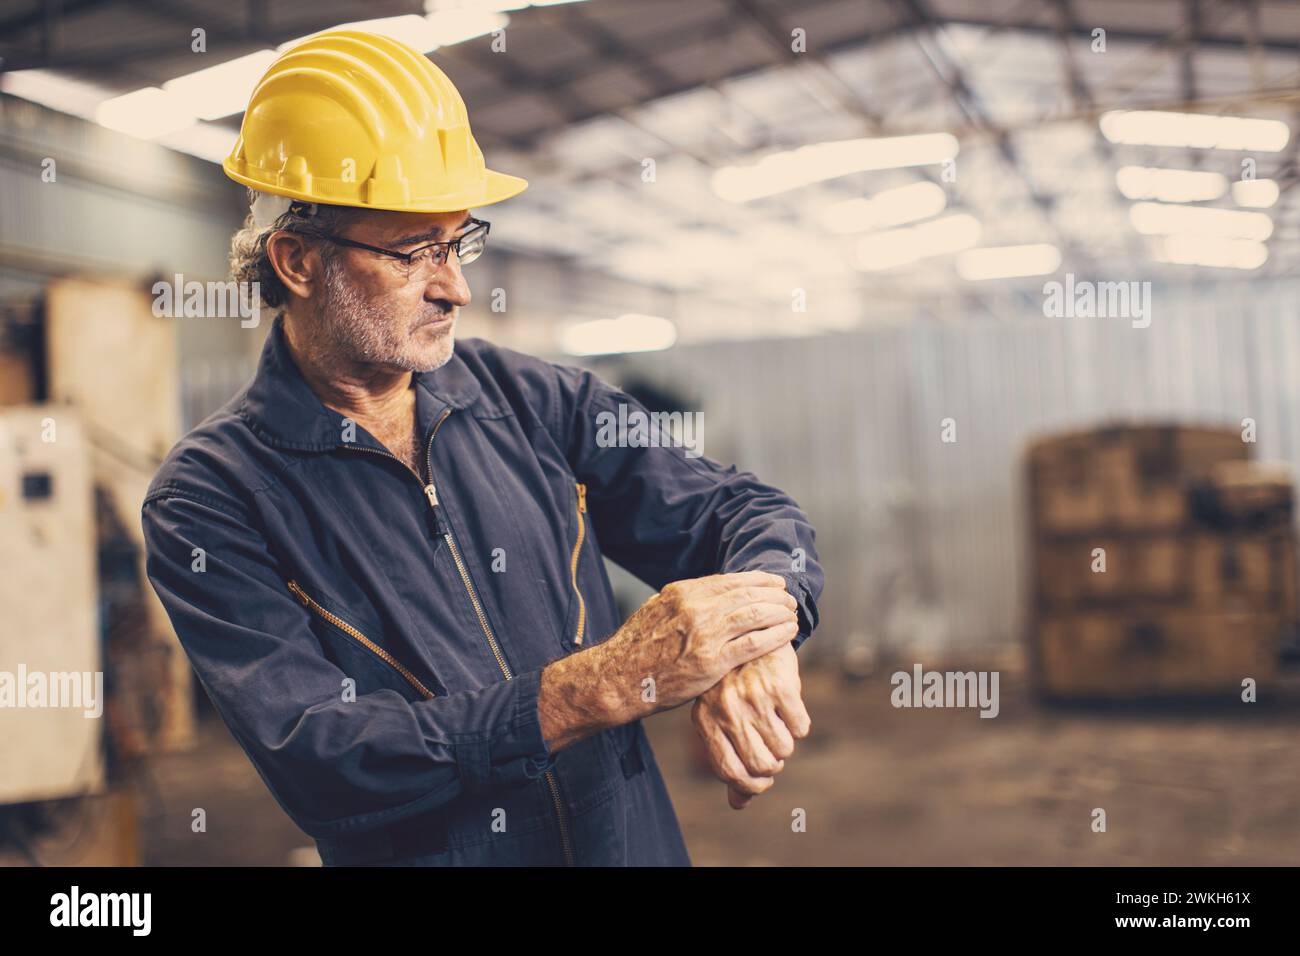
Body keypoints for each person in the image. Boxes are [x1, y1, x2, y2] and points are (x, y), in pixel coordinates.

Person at [142, 29, 823, 866]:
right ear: (297, 261)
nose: (455, 284)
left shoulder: (535, 402)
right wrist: (597, 684)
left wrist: (766, 636)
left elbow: (744, 514)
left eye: (458, 240)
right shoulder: (213, 498)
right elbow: (324, 760)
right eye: (414, 249)